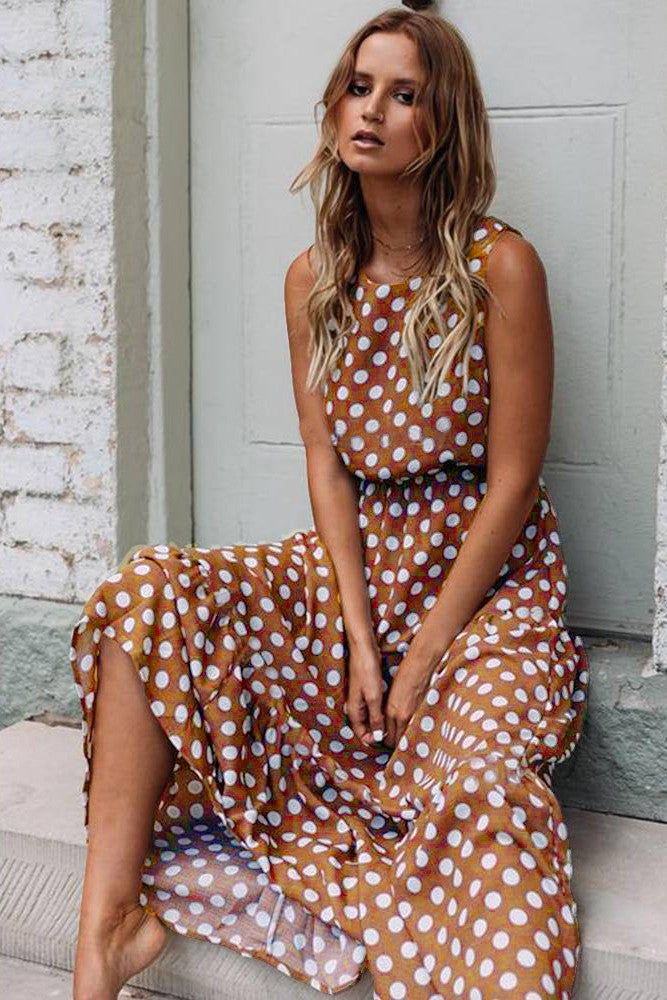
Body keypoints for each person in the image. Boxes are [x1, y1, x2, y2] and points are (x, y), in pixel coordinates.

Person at [68, 4, 589, 999]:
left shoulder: (499, 267)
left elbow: (514, 480)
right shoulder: (313, 280)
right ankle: (108, 933)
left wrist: (421, 654)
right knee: (148, 588)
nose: (372, 111)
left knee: (481, 788)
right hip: (353, 570)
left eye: (403, 94)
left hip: (483, 596)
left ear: (443, 124)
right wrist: (357, 637)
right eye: (358, 87)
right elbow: (326, 461)